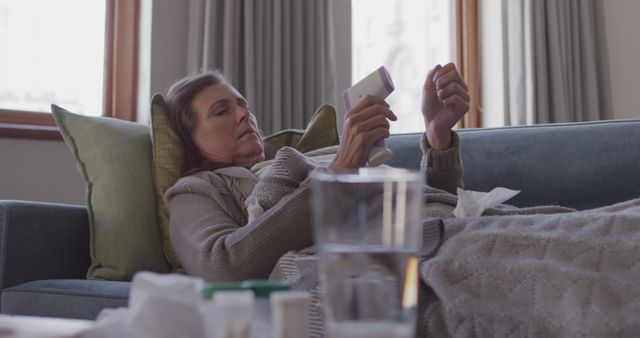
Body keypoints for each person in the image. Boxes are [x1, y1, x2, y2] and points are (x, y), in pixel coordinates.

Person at [164, 63, 469, 281]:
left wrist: (437, 136)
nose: (245, 114)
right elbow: (224, 268)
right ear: (191, 139)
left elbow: (434, 205)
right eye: (222, 111)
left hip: (447, 228)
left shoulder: (313, 158)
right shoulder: (196, 189)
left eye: (243, 105)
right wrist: (336, 175)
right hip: (413, 251)